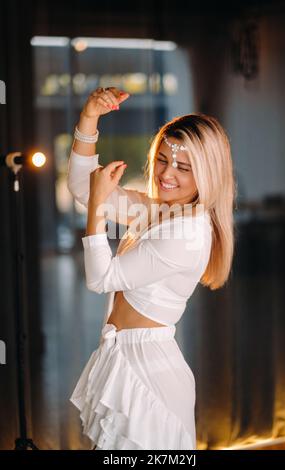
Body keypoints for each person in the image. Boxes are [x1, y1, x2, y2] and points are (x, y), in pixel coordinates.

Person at [67, 86, 237, 450]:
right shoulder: (163, 210)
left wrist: (98, 206)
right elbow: (83, 188)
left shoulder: (188, 232)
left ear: (207, 173)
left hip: (151, 374)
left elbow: (101, 278)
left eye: (183, 166)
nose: (166, 173)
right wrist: (89, 118)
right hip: (124, 357)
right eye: (162, 159)